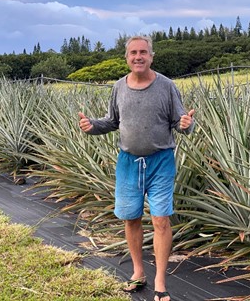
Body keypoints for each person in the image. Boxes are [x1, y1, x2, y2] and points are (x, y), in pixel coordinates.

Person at [78, 35, 194, 301]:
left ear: (151, 56)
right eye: (133, 53)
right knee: (131, 218)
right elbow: (112, 122)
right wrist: (92, 126)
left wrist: (187, 125)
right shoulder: (119, 87)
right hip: (128, 162)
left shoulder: (166, 86)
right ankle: (138, 272)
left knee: (160, 219)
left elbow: (180, 122)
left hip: (161, 161)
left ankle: (160, 281)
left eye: (143, 52)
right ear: (127, 58)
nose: (138, 56)